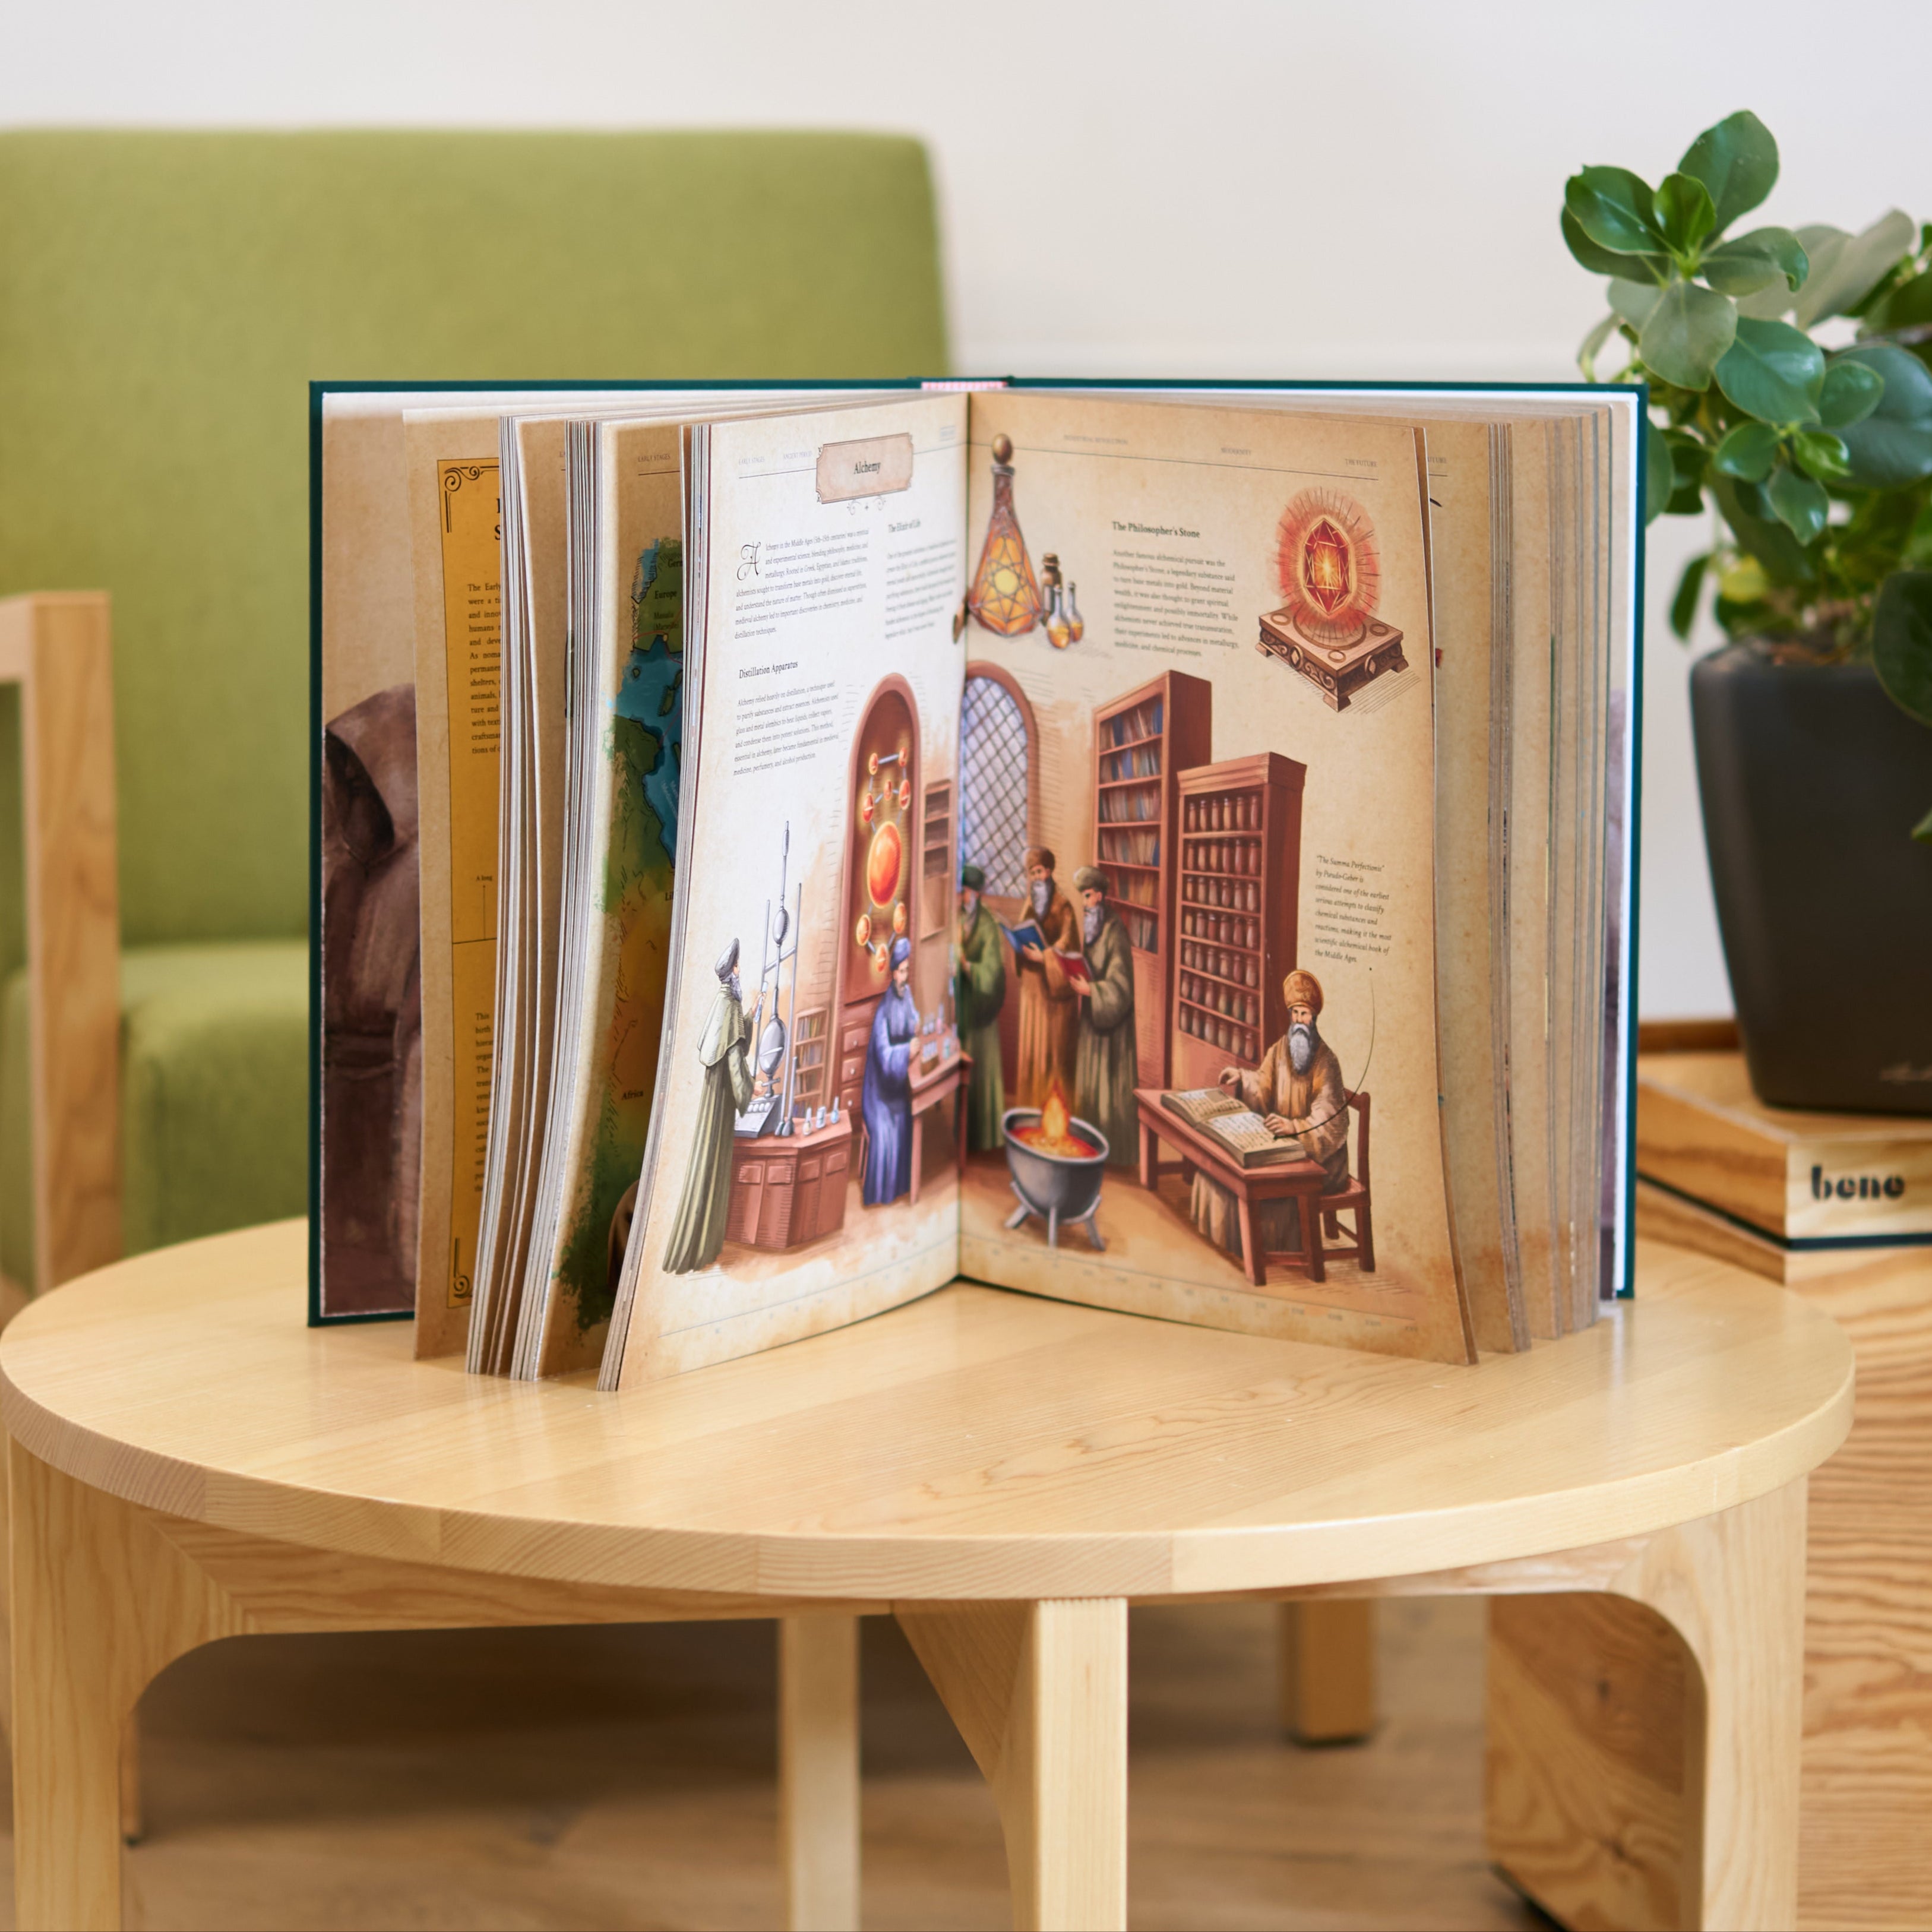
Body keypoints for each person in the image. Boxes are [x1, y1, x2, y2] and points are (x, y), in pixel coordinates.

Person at [1190, 969, 1351, 1265]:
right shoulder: (1280, 1050)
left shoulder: (1326, 1062)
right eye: (1295, 1014)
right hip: (1283, 1144)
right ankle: (1228, 1247)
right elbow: (1263, 1083)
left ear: (1314, 1018)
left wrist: (1294, 1127)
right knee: (1224, 1170)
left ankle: (1263, 1253)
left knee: (1261, 1188)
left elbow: (1331, 1122)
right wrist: (1242, 1078)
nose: (1299, 1020)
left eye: (1305, 1014)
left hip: (1320, 1161)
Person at [662, 940, 757, 1273]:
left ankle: (704, 1244)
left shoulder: (723, 1002)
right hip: (720, 1105)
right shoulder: (730, 1005)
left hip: (711, 1098)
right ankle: (702, 1248)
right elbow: (735, 1059)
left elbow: (732, 1040)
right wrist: (751, 1090)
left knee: (706, 1161)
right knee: (713, 1163)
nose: (740, 970)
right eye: (739, 966)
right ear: (734, 971)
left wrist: (752, 1014)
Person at [1070, 865, 1137, 1165]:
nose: (1084, 904)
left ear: (1099, 895)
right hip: (1092, 1019)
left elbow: (1121, 986)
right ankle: (1089, 1144)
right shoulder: (1094, 926)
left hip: (1113, 1028)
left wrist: (1092, 991)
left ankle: (1112, 1152)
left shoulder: (1115, 930)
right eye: (1083, 898)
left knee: (1109, 1089)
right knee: (1090, 1087)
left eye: (1087, 897)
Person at [1013, 844, 1080, 1109]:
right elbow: (1023, 929)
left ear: (1049, 872)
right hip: (1034, 993)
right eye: (1032, 873)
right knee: (1032, 1053)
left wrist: (1045, 957)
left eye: (1039, 872)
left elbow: (1069, 945)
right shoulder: (1031, 901)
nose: (1036, 878)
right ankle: (1029, 1111)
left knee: (1052, 1058)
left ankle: (1053, 1116)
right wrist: (1018, 944)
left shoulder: (1063, 906)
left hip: (1054, 998)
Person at [861, 935, 920, 1206]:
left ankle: (902, 1187)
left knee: (907, 1118)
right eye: (902, 972)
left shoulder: (906, 996)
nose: (905, 977)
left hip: (896, 1086)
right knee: (886, 1130)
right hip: (879, 1090)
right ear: (894, 972)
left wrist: (915, 1027)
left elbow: (913, 1020)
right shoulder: (883, 1010)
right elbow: (885, 1059)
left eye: (908, 971)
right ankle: (880, 1195)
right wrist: (907, 1051)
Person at [955, 863, 1007, 1152]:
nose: (963, 898)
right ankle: (962, 1133)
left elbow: (992, 971)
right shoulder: (960, 918)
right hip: (964, 1006)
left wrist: (967, 966)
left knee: (982, 1066)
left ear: (977, 894)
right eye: (961, 892)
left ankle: (984, 1137)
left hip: (983, 1009)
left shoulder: (987, 925)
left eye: (967, 892)